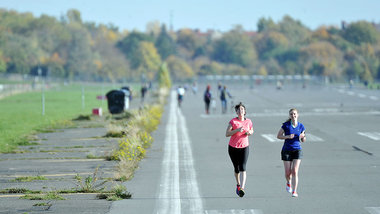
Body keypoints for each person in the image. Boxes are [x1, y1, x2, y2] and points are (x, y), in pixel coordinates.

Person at [225, 102, 254, 197]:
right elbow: (227, 134)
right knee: (236, 168)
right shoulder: (233, 122)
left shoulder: (248, 121)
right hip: (233, 148)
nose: (240, 111)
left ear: (245, 111)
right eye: (238, 109)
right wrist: (237, 130)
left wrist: (249, 132)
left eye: (242, 109)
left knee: (243, 167)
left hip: (245, 147)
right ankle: (238, 184)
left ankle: (242, 188)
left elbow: (252, 130)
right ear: (236, 112)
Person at [276, 108, 306, 197]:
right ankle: (288, 182)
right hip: (287, 150)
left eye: (294, 114)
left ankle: (294, 191)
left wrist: (302, 136)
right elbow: (278, 136)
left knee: (295, 171)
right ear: (289, 115)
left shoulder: (301, 126)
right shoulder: (286, 125)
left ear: (297, 115)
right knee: (287, 173)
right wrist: (288, 136)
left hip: (297, 150)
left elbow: (304, 140)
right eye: (291, 114)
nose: (293, 115)